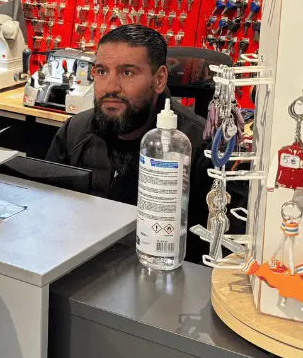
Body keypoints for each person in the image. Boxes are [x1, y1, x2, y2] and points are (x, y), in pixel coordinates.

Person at [46, 26, 212, 263]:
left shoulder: (197, 147)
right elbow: (48, 214)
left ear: (160, 79)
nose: (110, 87)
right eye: (102, 71)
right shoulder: (75, 132)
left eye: (127, 73)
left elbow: (209, 253)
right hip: (85, 269)